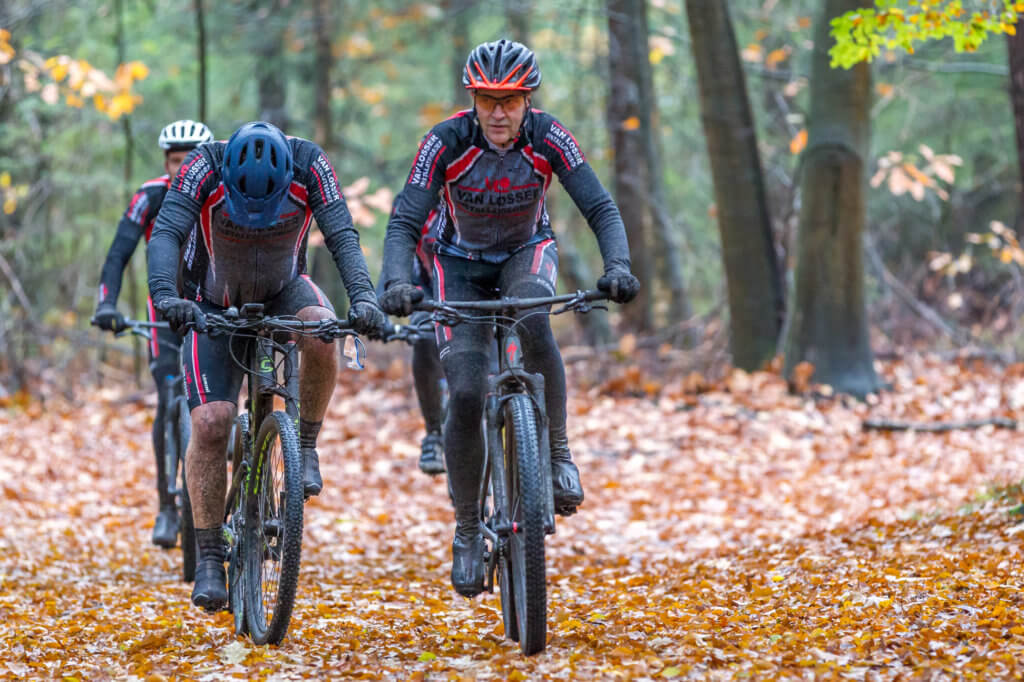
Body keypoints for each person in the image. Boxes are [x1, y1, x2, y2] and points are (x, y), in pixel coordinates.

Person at [379, 39, 640, 597]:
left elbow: (600, 206)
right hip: (458, 265)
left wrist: (617, 265)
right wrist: (397, 281)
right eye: (488, 100)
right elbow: (405, 220)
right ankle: (468, 528)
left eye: (512, 101)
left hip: (527, 250)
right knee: (468, 393)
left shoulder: (549, 137)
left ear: (528, 101)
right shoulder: (446, 142)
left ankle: (559, 455)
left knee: (533, 316)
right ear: (472, 99)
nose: (499, 113)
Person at [147, 121, 386, 610]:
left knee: (322, 330)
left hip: (284, 289)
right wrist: (166, 296)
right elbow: (166, 232)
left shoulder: (309, 163)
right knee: (211, 424)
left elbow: (342, 234)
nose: (255, 218)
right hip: (212, 301)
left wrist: (363, 297)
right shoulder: (202, 166)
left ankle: (306, 443)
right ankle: (211, 553)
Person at [93, 119, 214, 549]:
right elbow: (118, 252)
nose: (183, 168)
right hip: (162, 316)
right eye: (175, 160)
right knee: (168, 402)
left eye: (191, 160)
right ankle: (167, 504)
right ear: (166, 162)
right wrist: (106, 303)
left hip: (209, 309)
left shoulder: (219, 193)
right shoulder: (150, 196)